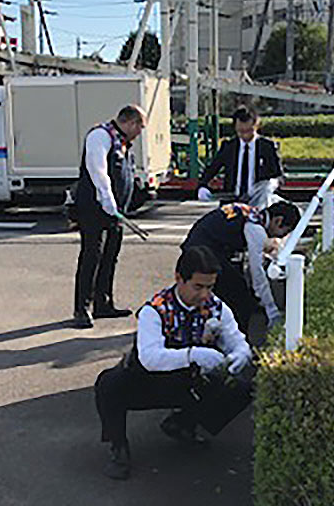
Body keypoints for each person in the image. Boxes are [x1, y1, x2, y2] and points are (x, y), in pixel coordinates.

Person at [94, 246, 254, 480]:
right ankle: (118, 446)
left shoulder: (216, 307)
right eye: (198, 287)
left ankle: (182, 424)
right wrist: (192, 354)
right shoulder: (155, 310)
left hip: (189, 381)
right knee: (109, 384)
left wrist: (240, 355)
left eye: (210, 287)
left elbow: (238, 341)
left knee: (242, 388)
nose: (205, 295)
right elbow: (149, 358)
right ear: (179, 278)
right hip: (148, 381)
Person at [72, 105, 147, 329]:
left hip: (115, 212)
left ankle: (103, 302)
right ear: (130, 122)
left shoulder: (121, 142)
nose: (140, 132)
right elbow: (98, 170)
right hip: (94, 209)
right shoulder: (100, 136)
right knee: (91, 256)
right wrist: (106, 197)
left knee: (110, 256)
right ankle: (81, 308)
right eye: (140, 127)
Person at [181, 200, 301, 335]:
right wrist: (272, 311)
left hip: (197, 247)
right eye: (285, 232)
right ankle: (238, 342)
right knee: (242, 302)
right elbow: (257, 274)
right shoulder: (256, 229)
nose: (280, 237)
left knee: (233, 292)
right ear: (278, 221)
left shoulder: (251, 214)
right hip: (204, 255)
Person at [197, 106, 283, 208]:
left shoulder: (267, 147)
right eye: (240, 131)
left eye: (249, 131)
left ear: (256, 126)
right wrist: (202, 186)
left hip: (259, 202)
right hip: (232, 202)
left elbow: (279, 175)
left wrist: (271, 184)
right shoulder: (228, 147)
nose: (245, 135)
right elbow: (212, 169)